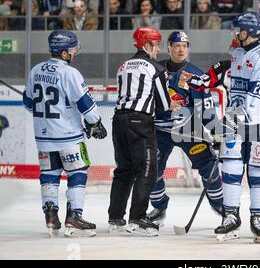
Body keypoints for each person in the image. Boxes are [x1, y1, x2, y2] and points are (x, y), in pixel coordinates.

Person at [22, 29, 107, 237]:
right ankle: (74, 216)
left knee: (49, 176)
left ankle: (51, 215)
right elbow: (85, 104)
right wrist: (95, 123)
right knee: (77, 173)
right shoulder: (70, 73)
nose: (74, 53)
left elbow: (28, 104)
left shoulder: (35, 70)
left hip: (43, 137)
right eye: (72, 49)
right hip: (69, 137)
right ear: (63, 52)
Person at [214, 12, 260, 244]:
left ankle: (258, 218)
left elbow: (257, 98)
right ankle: (230, 216)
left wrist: (230, 121)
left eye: (237, 30)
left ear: (246, 32)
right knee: (230, 167)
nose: (234, 34)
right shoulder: (238, 53)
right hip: (236, 118)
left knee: (258, 173)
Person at [146, 31, 223, 227]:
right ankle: (159, 207)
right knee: (150, 169)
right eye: (177, 45)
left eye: (185, 46)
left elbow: (205, 106)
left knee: (209, 168)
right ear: (169, 47)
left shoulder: (196, 73)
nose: (181, 49)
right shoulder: (155, 69)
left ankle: (221, 207)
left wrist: (214, 131)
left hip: (189, 131)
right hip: (160, 130)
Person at [107, 27, 177, 236]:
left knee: (124, 170)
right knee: (147, 169)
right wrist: (176, 103)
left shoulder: (123, 65)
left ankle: (115, 218)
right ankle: (138, 218)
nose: (157, 50)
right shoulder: (156, 68)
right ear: (147, 45)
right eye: (155, 45)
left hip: (119, 121)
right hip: (140, 122)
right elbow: (164, 103)